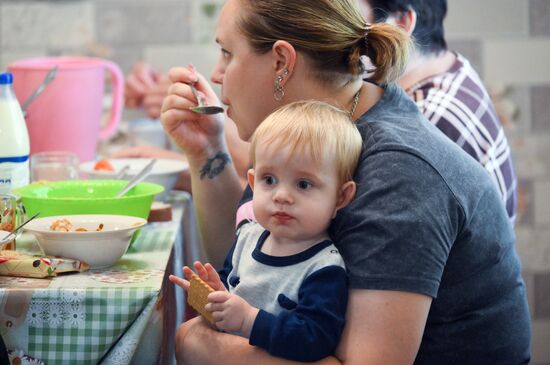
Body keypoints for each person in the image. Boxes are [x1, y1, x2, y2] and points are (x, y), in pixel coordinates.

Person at [160, 0, 531, 364]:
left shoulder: (398, 173)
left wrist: (199, 345)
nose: (217, 74)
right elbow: (248, 263)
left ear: (281, 62)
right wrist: (207, 150)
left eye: (227, 53)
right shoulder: (309, 131)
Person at [169, 100, 363, 362]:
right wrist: (214, 297)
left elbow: (315, 339)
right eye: (269, 180)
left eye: (303, 184)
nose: (282, 196)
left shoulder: (324, 268)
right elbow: (230, 291)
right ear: (252, 182)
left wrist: (249, 320)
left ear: (340, 198)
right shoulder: (247, 236)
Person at [358, 0, 517, 222]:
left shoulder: (424, 118)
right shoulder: (451, 67)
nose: (341, 33)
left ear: (402, 23)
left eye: (353, 18)